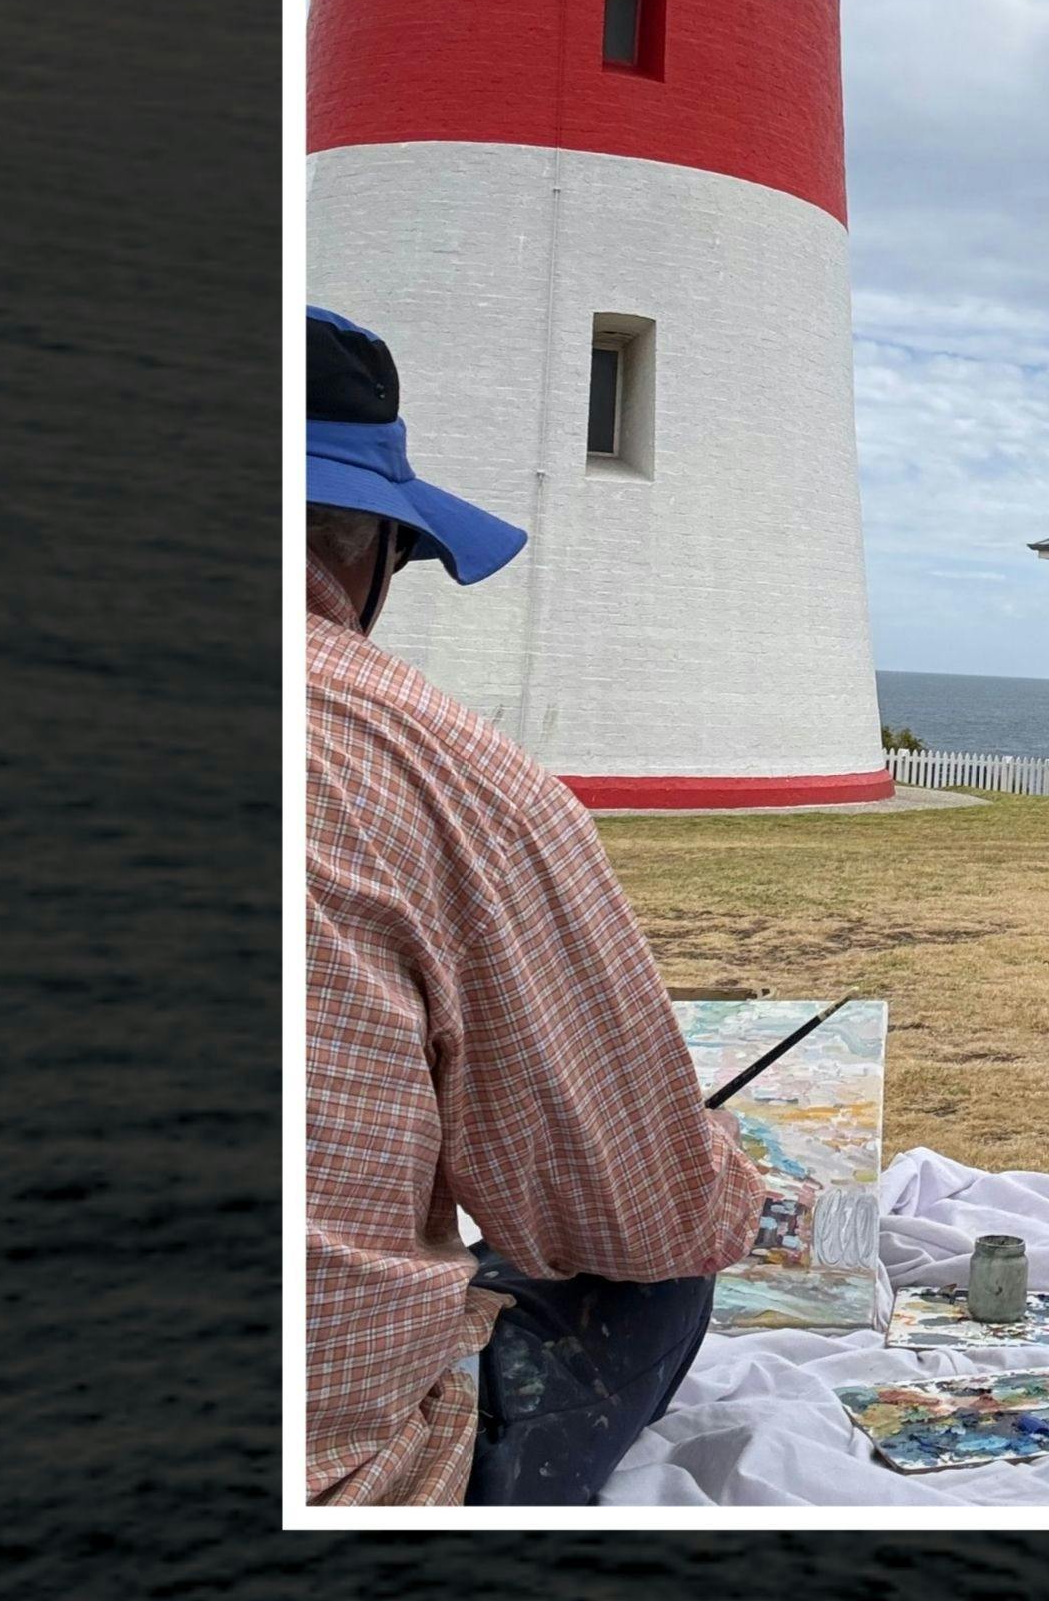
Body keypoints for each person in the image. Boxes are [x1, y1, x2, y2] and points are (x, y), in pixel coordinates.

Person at [302, 305, 763, 1505]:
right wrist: (721, 1179)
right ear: (372, 553)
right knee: (653, 1261)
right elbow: (639, 1210)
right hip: (333, 1488)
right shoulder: (449, 774)